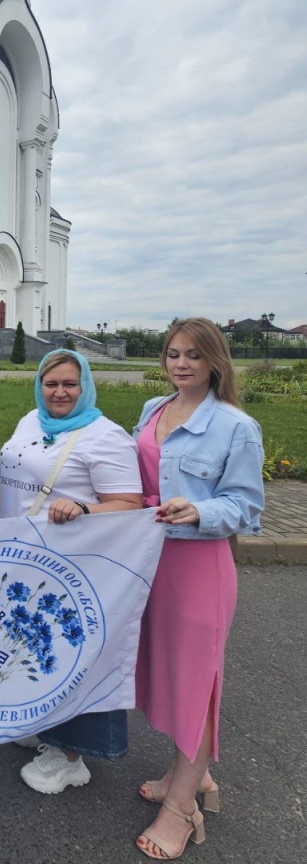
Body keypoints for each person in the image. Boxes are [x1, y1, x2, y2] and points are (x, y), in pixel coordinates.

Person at [131, 318, 263, 860]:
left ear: (214, 362)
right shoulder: (153, 412)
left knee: (197, 682)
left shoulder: (236, 426)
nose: (181, 364)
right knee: (167, 675)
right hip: (149, 562)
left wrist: (200, 510)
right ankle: (187, 773)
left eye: (193, 355)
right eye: (172, 354)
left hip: (198, 566)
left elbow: (247, 508)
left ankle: (181, 808)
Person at [0, 349, 143, 796]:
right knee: (32, 644)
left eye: (69, 385)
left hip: (75, 568)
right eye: (50, 383)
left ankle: (71, 756)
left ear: (85, 387)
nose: (59, 392)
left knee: (71, 653)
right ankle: (43, 723)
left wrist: (83, 507)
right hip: (26, 561)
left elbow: (130, 505)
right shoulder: (31, 421)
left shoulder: (105, 436)